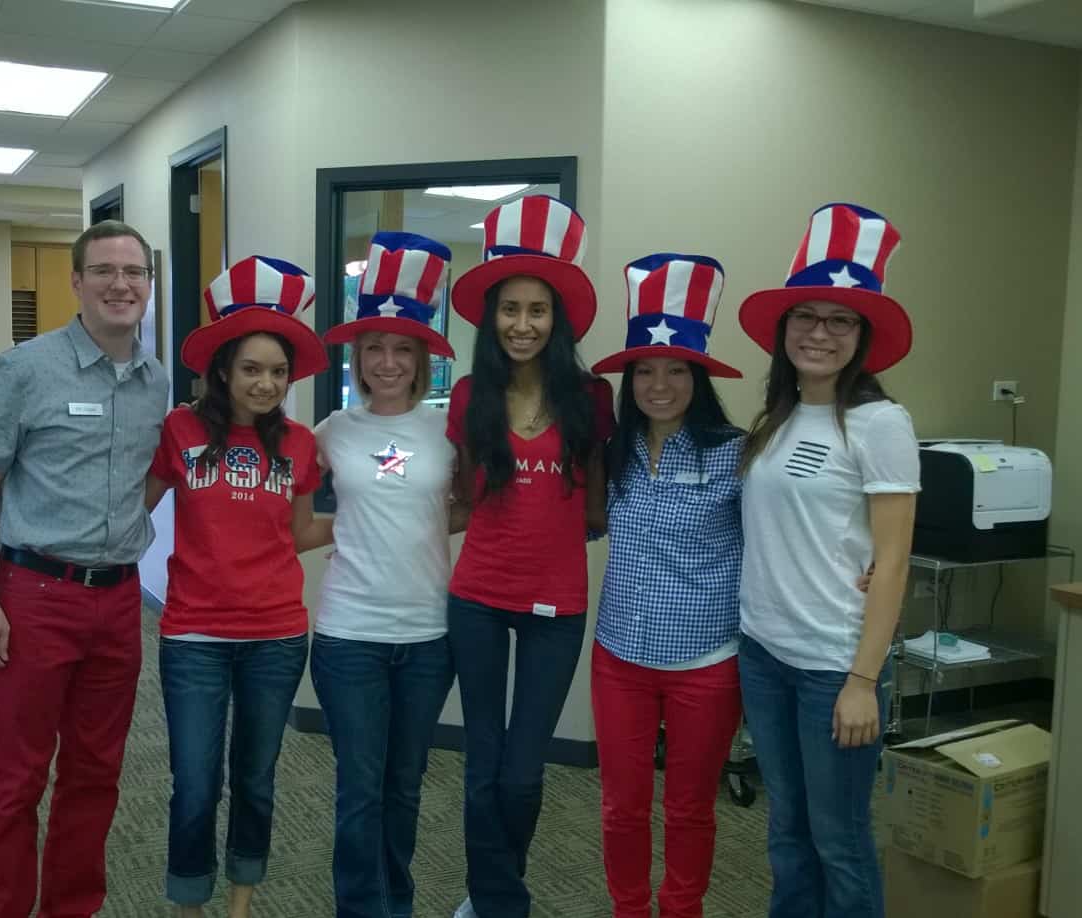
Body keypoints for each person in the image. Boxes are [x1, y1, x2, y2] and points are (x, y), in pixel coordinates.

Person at [0, 220, 169, 918]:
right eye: (103, 270)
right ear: (76, 282)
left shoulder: (154, 381)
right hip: (35, 596)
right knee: (15, 783)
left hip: (117, 603)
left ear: (148, 285)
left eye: (134, 272)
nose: (120, 284)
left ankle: (72, 908)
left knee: (95, 774)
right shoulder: (24, 370)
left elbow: (140, 481)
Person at [733, 203, 920, 918]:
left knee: (839, 839)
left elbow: (895, 560)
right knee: (786, 829)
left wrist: (863, 679)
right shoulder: (775, 419)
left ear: (863, 337)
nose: (819, 333)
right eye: (806, 316)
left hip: (833, 665)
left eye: (840, 320)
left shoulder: (881, 424)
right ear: (783, 331)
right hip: (764, 654)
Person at [443, 195, 614, 918]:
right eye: (509, 309)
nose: (521, 324)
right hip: (477, 596)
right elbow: (455, 498)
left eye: (536, 310)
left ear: (557, 319)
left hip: (557, 607)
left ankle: (495, 889)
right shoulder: (468, 395)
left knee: (521, 772)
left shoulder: (590, 397)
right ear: (491, 318)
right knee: (482, 765)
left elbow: (599, 511)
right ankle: (498, 903)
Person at [145, 255, 329, 918]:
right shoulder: (180, 431)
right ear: (222, 370)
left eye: (278, 371)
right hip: (193, 635)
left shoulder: (302, 446)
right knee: (194, 783)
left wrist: (384, 520)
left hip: (277, 637)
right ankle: (189, 902)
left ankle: (241, 903)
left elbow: (302, 532)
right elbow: (133, 506)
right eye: (251, 368)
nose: (266, 383)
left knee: (256, 779)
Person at [300, 232, 465, 918]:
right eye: (375, 348)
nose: (389, 362)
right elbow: (298, 525)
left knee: (405, 785)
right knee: (359, 788)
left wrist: (409, 526)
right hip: (348, 637)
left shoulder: (451, 428)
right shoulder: (331, 431)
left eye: (403, 349)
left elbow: (461, 513)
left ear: (422, 357)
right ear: (357, 356)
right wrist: (358, 529)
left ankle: (397, 901)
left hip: (429, 637)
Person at [586, 254, 748, 918]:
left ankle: (682, 909)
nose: (659, 384)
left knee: (688, 807)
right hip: (619, 656)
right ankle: (629, 908)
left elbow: (789, 533)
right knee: (622, 805)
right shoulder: (609, 451)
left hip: (707, 662)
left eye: (676, 369)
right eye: (645, 371)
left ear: (698, 376)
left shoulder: (737, 453)